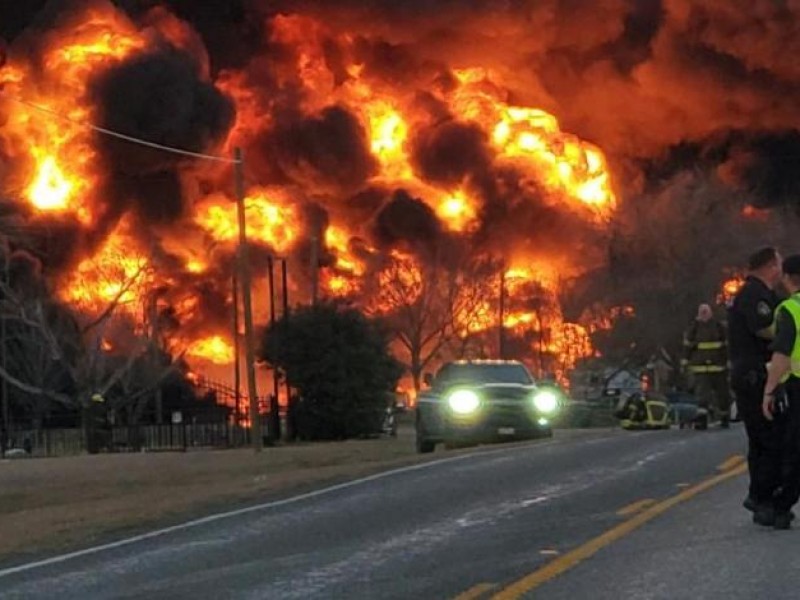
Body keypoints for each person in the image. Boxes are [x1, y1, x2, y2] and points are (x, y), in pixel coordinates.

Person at [727, 247, 782, 517]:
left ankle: (763, 495)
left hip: (757, 372)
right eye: (779, 262)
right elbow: (763, 328)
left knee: (766, 437)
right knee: (767, 437)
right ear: (771, 265)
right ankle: (763, 498)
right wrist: (790, 331)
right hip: (753, 375)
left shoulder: (763, 294)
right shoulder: (753, 294)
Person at [761, 255, 800, 529]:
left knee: (794, 449)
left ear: (787, 278)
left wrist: (769, 390)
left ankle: (782, 505)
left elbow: (782, 355)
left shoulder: (789, 309)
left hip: (798, 384)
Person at [682, 303, 731, 427]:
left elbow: (726, 345)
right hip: (701, 368)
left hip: (718, 367)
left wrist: (729, 360)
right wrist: (685, 360)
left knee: (722, 393)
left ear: (711, 313)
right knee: (702, 395)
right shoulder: (694, 328)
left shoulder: (719, 327)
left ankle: (724, 416)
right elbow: (688, 346)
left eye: (706, 312)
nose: (704, 314)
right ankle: (702, 420)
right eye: (702, 312)